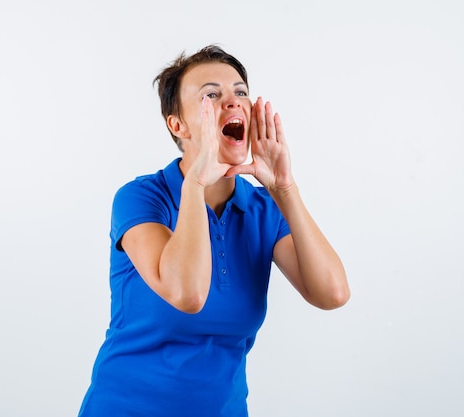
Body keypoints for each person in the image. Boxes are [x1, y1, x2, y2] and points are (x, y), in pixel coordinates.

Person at [77, 45, 350, 417]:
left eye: (240, 93)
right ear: (178, 125)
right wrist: (195, 185)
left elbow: (332, 293)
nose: (233, 102)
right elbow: (187, 294)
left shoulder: (262, 210)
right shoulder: (141, 199)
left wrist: (284, 190)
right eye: (211, 95)